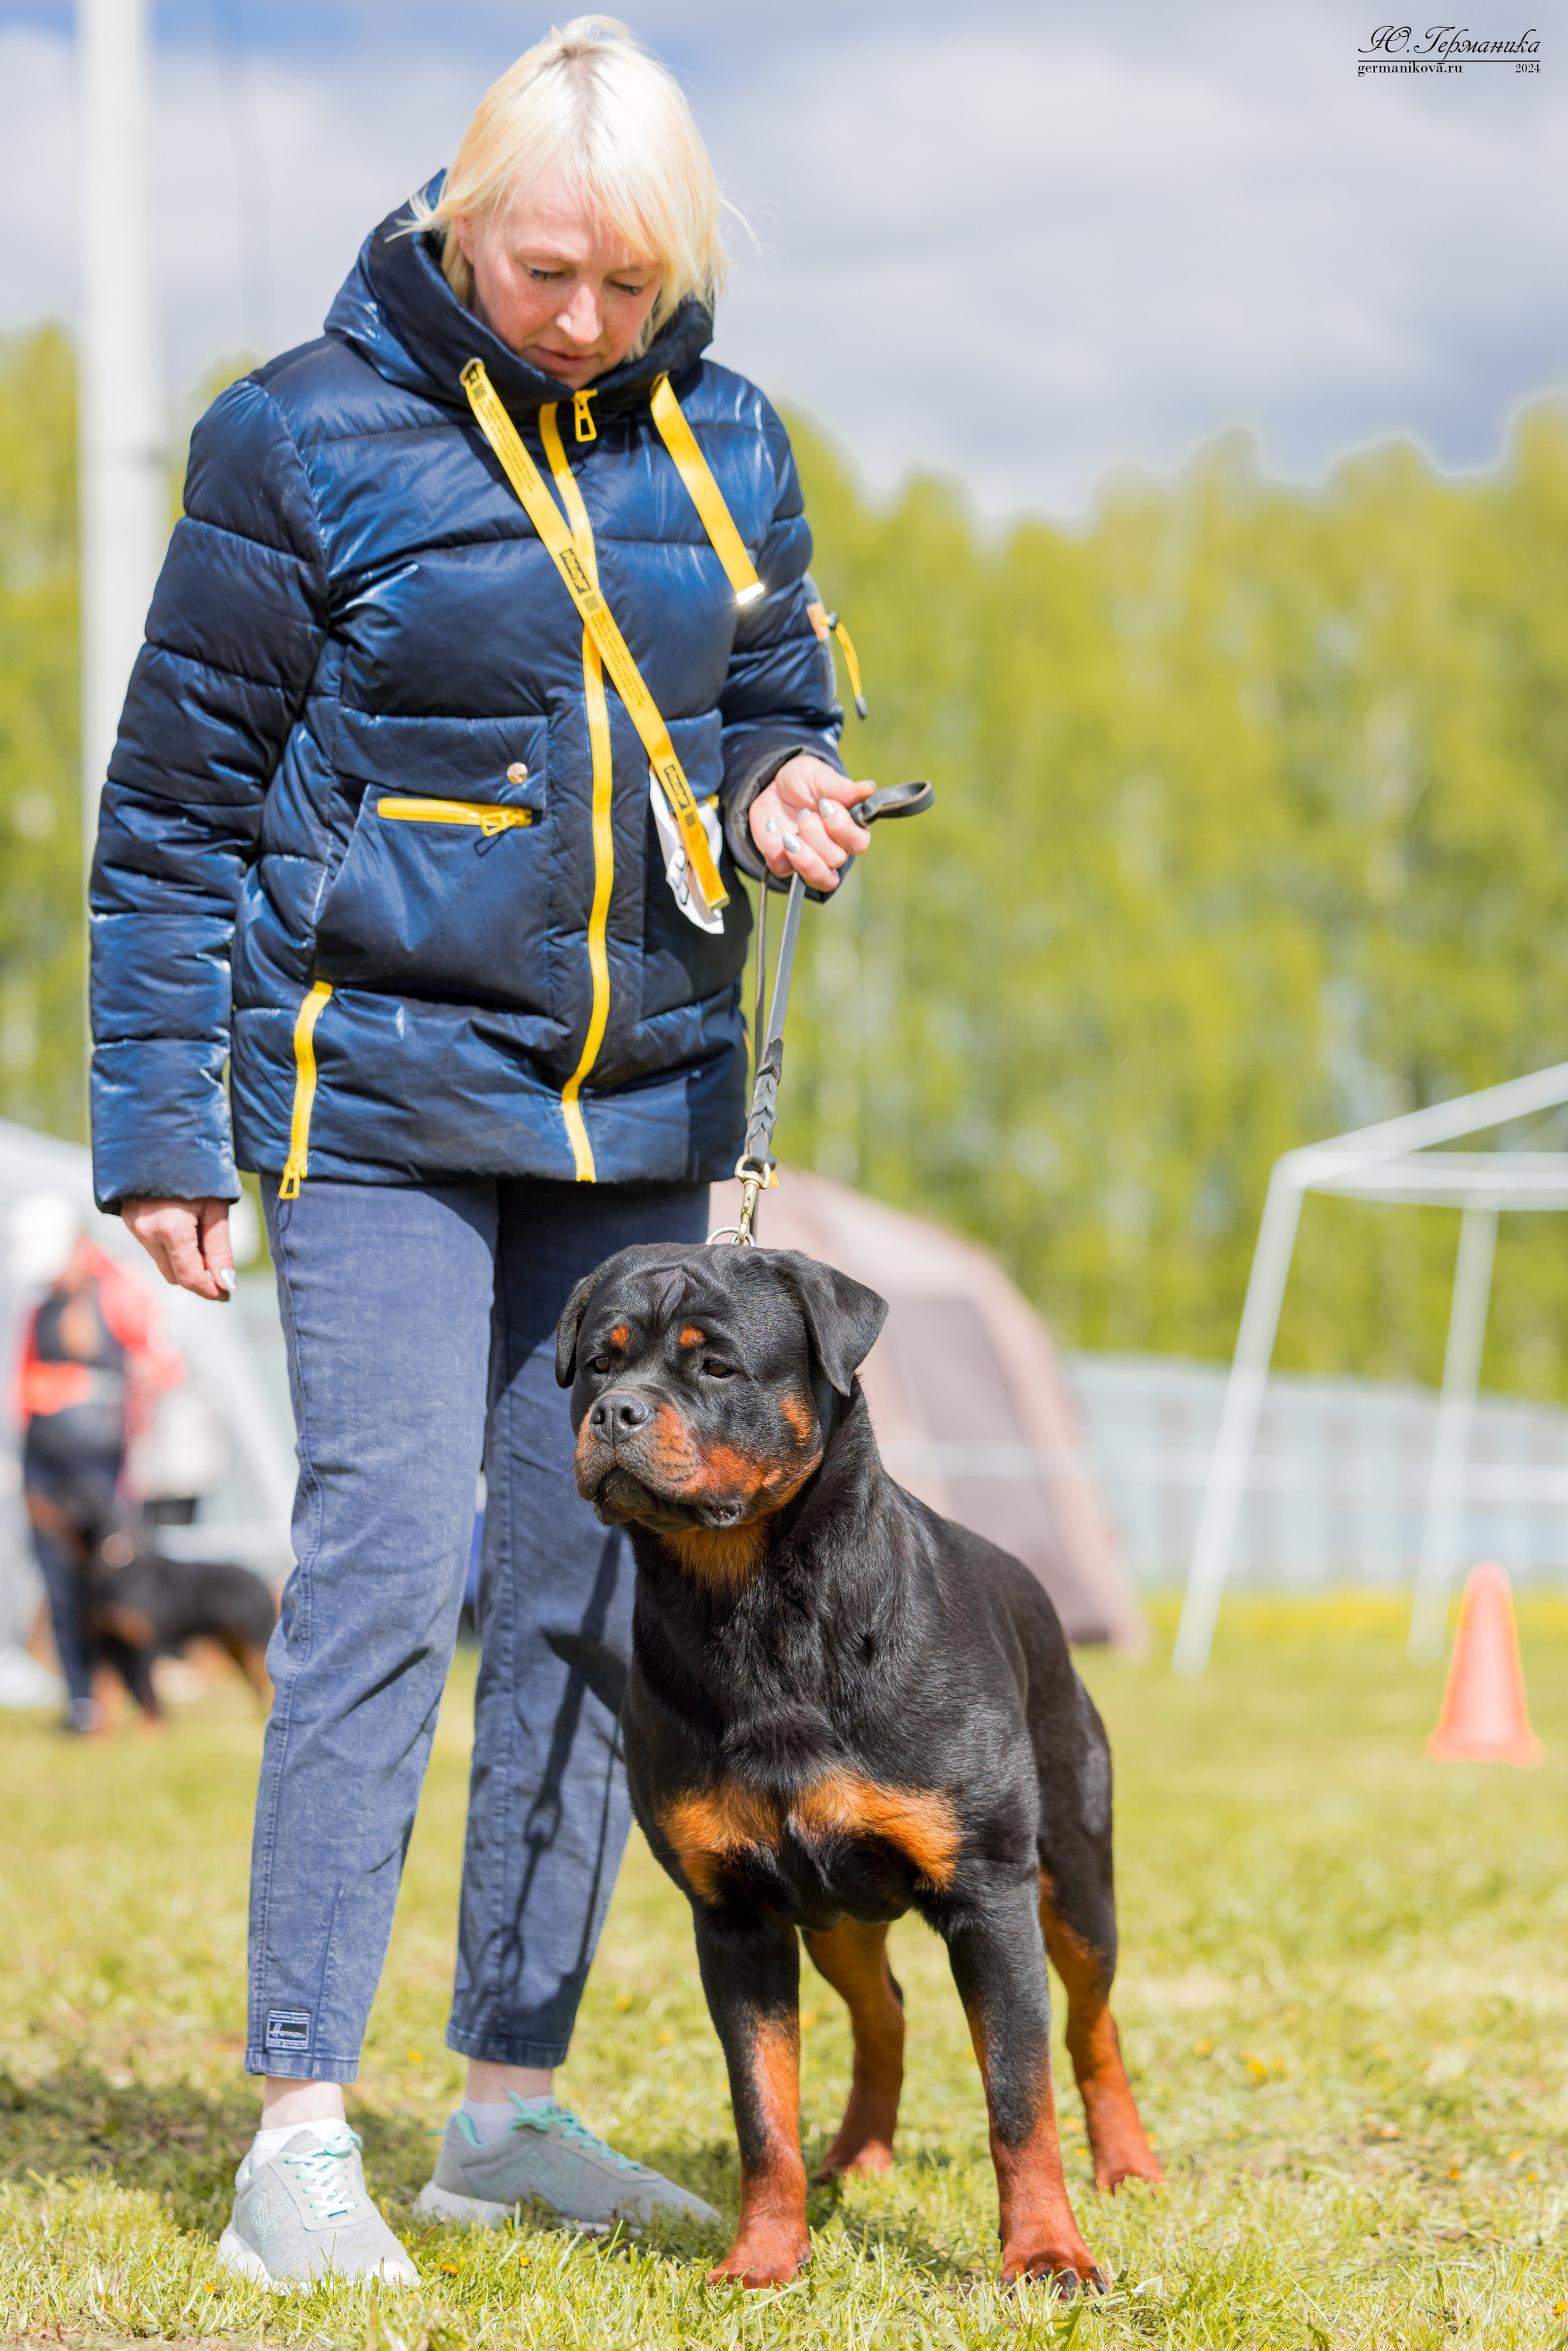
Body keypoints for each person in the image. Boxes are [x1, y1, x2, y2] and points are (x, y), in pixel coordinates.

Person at [89, 17, 877, 2286]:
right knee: (372, 1570)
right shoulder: (296, 435)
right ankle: (296, 2132)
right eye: (545, 271)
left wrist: (779, 789)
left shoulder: (726, 440)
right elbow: (169, 822)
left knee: (584, 1592)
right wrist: (169, 1126)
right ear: (462, 220)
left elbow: (763, 695)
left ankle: (507, 2107)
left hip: (634, 1106)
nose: (582, 321)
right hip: (377, 1100)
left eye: (630, 283)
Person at [11, 1193, 178, 1734]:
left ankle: (130, 1693)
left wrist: (134, 1380)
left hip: (101, 1473)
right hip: (45, 1467)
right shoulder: (37, 1309)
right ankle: (83, 1701)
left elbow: (164, 1362)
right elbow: (21, 1388)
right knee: (58, 1584)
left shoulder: (121, 1292)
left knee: (108, 1590)